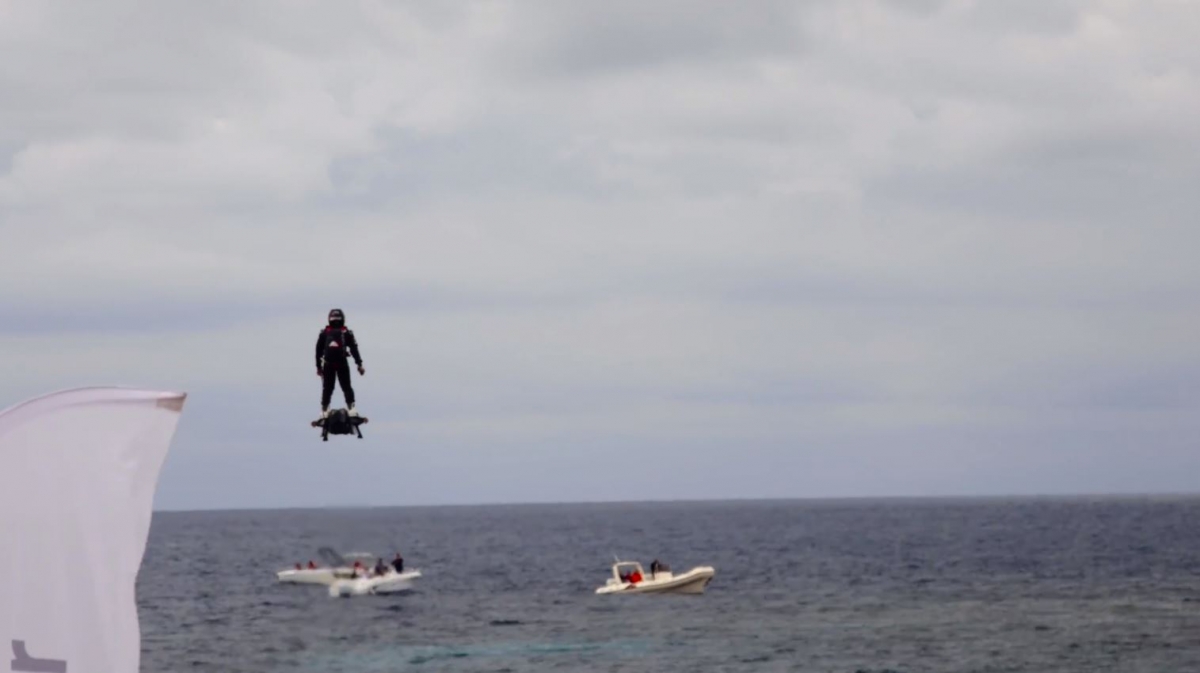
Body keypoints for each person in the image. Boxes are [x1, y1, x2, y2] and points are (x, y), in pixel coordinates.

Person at [315, 308, 364, 418]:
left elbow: (318, 351)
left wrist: (318, 367)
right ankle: (351, 408)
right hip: (342, 363)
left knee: (327, 388)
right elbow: (354, 349)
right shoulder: (346, 332)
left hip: (328, 364)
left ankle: (324, 410)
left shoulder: (324, 333)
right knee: (346, 386)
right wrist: (359, 364)